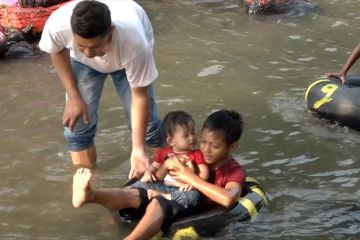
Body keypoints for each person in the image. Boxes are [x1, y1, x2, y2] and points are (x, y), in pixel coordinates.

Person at [71, 109, 246, 239]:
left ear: (233, 147)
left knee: (158, 202)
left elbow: (228, 199)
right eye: (203, 142)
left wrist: (188, 176)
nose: (206, 149)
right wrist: (160, 169)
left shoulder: (234, 172)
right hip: (168, 191)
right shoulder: (192, 155)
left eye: (214, 146)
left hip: (190, 210)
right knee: (137, 192)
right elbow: (160, 174)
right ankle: (91, 194)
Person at [38, 0, 163, 179]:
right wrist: (73, 96)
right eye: (82, 46)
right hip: (80, 64)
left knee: (148, 125)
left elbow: (139, 96)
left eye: (95, 47)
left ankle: (159, 173)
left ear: (110, 32)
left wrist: (137, 148)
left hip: (126, 58)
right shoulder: (58, 25)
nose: (89, 53)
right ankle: (88, 183)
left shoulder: (135, 43)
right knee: (77, 123)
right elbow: (56, 51)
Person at [134, 110, 209, 207]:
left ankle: (161, 196)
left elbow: (204, 172)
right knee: (142, 183)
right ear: (171, 141)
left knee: (193, 196)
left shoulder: (197, 154)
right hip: (166, 185)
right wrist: (148, 172)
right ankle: (141, 193)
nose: (192, 137)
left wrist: (195, 184)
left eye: (193, 133)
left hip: (184, 188)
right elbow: (154, 166)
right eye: (186, 135)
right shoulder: (165, 153)